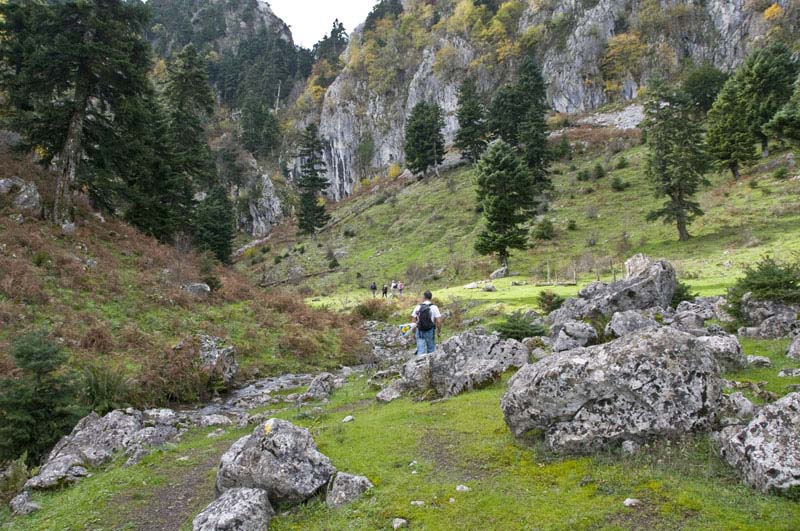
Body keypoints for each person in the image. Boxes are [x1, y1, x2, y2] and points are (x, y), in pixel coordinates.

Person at [411, 290, 442, 355]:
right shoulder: (434, 307)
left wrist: (414, 332)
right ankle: (431, 363)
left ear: (424, 297)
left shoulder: (418, 307)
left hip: (420, 330)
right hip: (430, 330)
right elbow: (439, 321)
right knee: (431, 350)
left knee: (420, 350)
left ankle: (420, 363)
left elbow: (413, 320)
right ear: (431, 297)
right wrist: (439, 331)